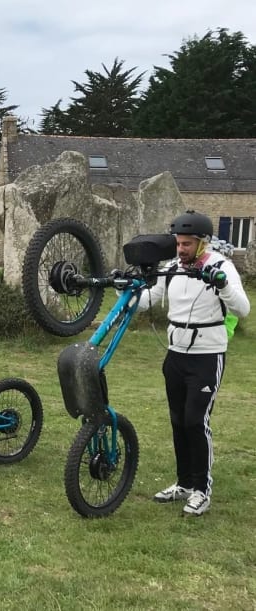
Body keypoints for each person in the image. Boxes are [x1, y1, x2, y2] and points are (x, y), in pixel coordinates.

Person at [139, 210, 250, 516]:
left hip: (207, 356)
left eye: (187, 244)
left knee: (195, 421)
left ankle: (202, 490)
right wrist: (127, 289)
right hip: (175, 354)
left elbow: (242, 310)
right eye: (178, 243)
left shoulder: (221, 266)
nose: (181, 249)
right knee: (177, 420)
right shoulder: (173, 268)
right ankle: (184, 484)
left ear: (202, 242)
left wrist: (223, 283)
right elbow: (149, 298)